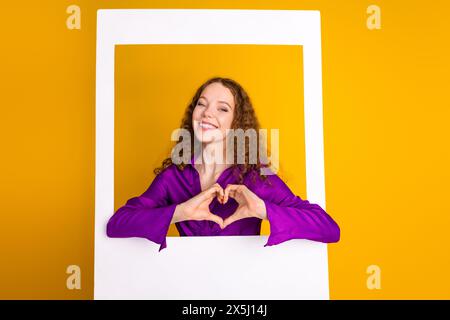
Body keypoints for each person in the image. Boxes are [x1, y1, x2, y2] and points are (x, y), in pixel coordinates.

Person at [106, 77, 340, 251]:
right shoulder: (173, 177)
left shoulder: (254, 178)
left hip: (243, 291)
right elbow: (117, 224)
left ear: (237, 123)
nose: (207, 113)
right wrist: (179, 212)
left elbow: (328, 228)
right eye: (202, 104)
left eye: (222, 108)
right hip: (185, 290)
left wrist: (263, 210)